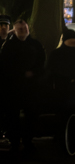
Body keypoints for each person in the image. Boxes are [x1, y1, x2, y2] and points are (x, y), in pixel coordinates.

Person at [0, 18, 46, 155]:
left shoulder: (36, 45)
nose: (23, 31)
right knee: (12, 116)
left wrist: (34, 73)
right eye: (20, 29)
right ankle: (14, 142)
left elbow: (42, 63)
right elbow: (5, 66)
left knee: (31, 115)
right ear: (15, 30)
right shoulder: (8, 46)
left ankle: (28, 141)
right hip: (13, 87)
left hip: (31, 87)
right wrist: (20, 74)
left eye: (25, 28)